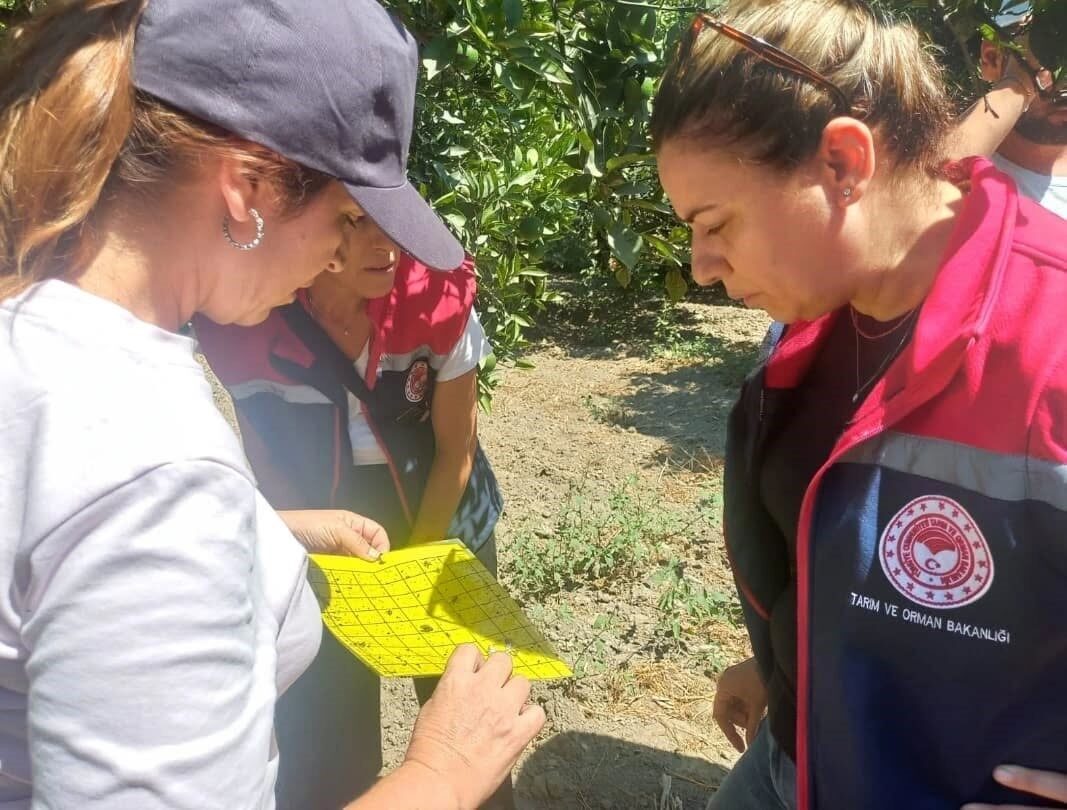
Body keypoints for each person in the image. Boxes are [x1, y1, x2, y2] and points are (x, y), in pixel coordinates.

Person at [0, 1, 544, 808]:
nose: (346, 252)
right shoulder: (157, 477)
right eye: (341, 220)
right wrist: (443, 774)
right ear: (246, 192)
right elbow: (129, 519)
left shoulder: (37, 334)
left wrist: (270, 531)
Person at [650, 2, 1067, 809]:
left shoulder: (1048, 339)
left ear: (842, 163)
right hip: (791, 761)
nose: (701, 266)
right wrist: (782, 659)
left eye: (714, 223)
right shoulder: (816, 328)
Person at [194, 239, 510, 807]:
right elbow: (270, 463)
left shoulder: (436, 293)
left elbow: (455, 454)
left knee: (466, 716)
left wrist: (415, 569)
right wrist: (307, 546)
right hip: (322, 523)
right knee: (326, 737)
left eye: (391, 219)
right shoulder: (247, 315)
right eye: (353, 219)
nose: (382, 242)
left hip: (440, 512)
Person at [952, 1, 1067, 218]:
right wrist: (1018, 86)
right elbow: (922, 189)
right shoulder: (960, 177)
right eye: (1049, 56)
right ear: (992, 58)